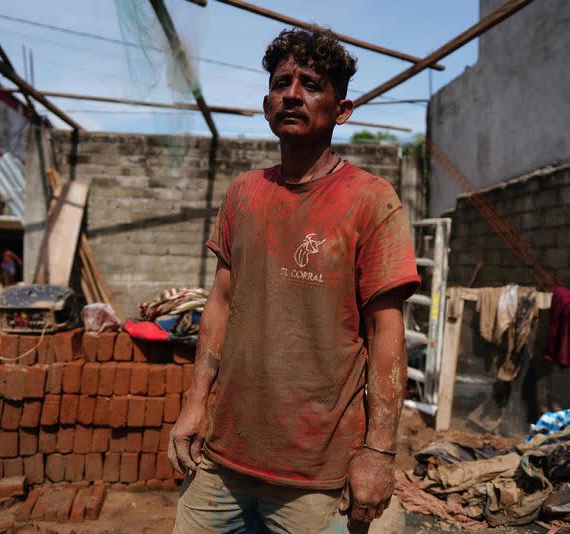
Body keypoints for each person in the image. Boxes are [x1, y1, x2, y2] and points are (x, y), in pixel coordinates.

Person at [169, 28, 420, 533]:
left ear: (341, 110)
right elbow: (219, 302)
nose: (292, 93)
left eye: (311, 84)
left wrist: (378, 451)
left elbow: (386, 333)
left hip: (317, 477)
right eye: (282, 82)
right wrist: (195, 404)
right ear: (266, 106)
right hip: (222, 461)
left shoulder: (371, 200)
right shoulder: (243, 193)